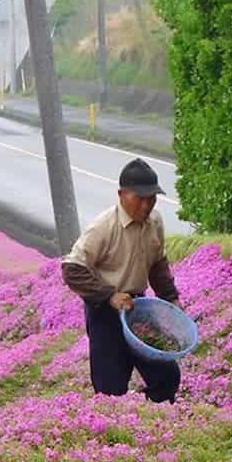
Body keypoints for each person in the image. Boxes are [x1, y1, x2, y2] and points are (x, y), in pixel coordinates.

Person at [62, 158, 182, 403]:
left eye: (152, 198)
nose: (147, 204)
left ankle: (151, 421)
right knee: (109, 389)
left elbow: (158, 263)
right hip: (104, 311)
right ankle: (118, 428)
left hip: (138, 309)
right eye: (140, 198)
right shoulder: (104, 227)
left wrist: (171, 298)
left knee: (167, 377)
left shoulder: (155, 222)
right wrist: (109, 296)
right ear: (121, 194)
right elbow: (72, 269)